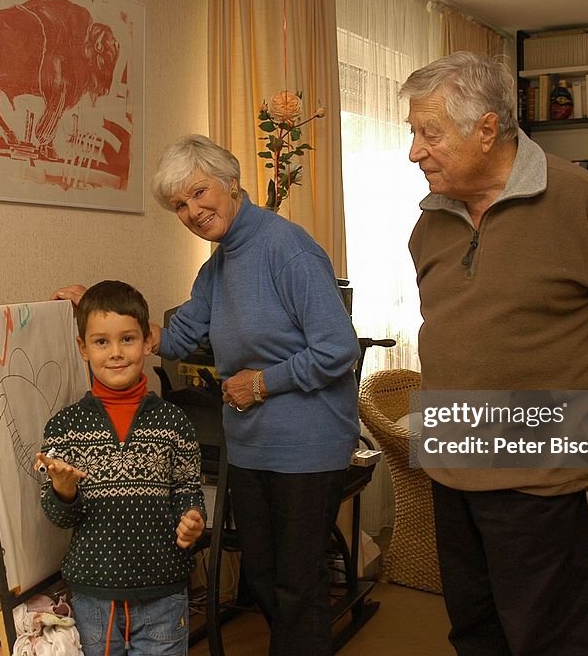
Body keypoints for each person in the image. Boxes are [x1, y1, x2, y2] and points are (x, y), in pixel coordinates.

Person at [55, 134, 361, 656]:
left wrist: (263, 381)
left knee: (298, 587)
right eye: (180, 205)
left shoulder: (287, 248)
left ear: (231, 182)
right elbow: (172, 337)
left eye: (199, 193)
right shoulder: (218, 266)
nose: (193, 211)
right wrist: (103, 311)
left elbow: (339, 348)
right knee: (262, 579)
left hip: (306, 450)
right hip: (250, 446)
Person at [399, 51, 588, 656]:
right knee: (474, 630)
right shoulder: (428, 223)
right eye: (414, 134)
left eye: (429, 133)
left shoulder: (584, 204)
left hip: (539, 469)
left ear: (486, 129)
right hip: (452, 462)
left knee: (546, 637)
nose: (415, 151)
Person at [35, 280, 205, 656]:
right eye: (101, 342)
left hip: (164, 593)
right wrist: (64, 490)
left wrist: (192, 518)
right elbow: (59, 516)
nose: (115, 353)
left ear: (147, 342)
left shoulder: (174, 422)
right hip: (94, 596)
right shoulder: (64, 427)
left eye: (127, 339)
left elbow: (187, 489)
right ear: (83, 348)